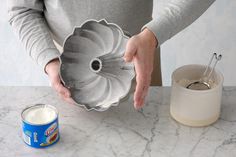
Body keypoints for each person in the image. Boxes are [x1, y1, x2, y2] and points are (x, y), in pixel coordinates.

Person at [8, 0, 215, 109]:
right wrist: (50, 61)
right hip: (67, 74)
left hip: (140, 59)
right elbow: (22, 10)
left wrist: (153, 35)